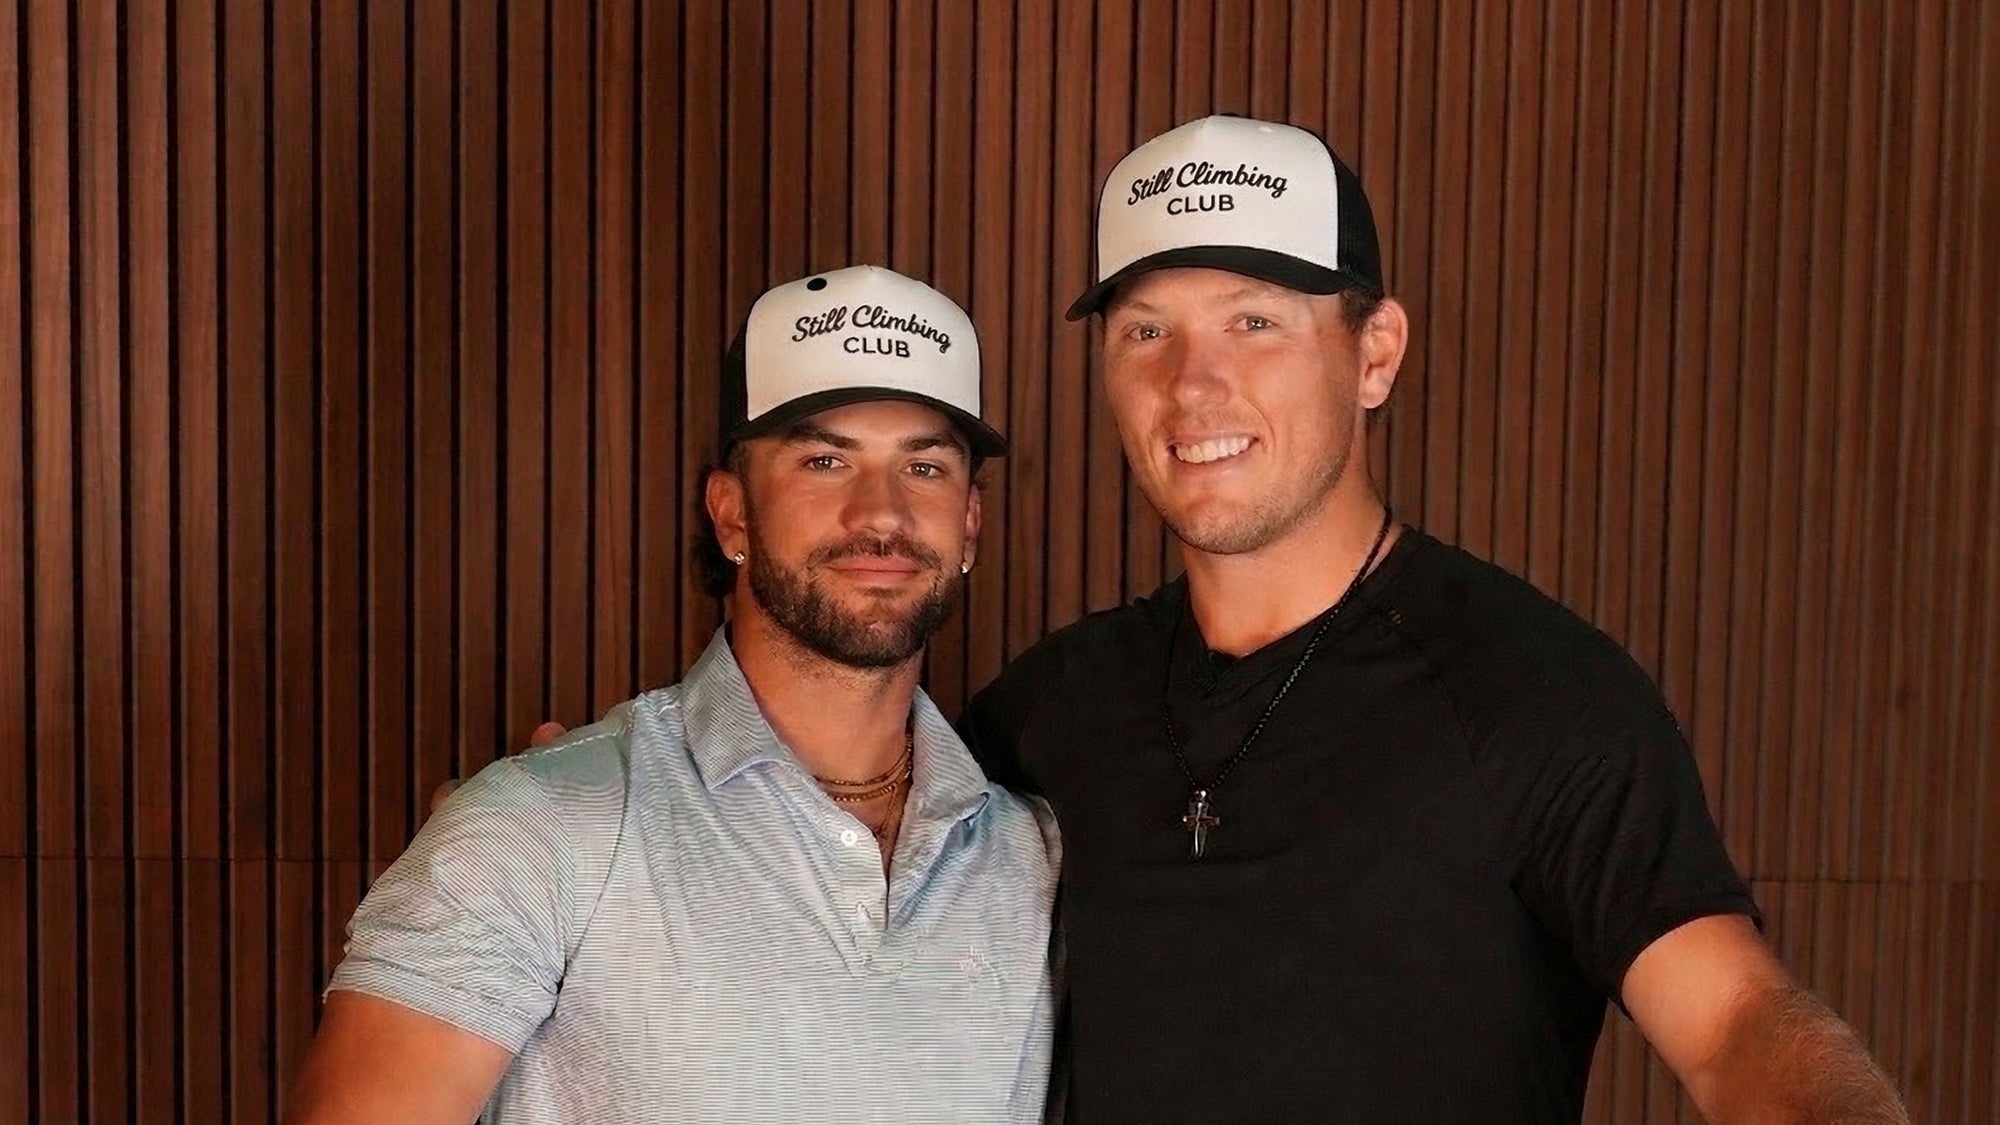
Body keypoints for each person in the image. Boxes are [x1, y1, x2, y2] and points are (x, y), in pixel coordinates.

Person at [955, 115, 1908, 1123]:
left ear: (1374, 354)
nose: (1190, 384)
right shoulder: (1048, 710)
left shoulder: (1535, 695)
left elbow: (1734, 1027)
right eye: (1146, 331)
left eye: (1254, 321)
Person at [287, 265, 1061, 1125]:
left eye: (923, 466)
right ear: (731, 514)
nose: (879, 512)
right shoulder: (538, 826)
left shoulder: (1031, 857)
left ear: (969, 527)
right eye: (825, 459)